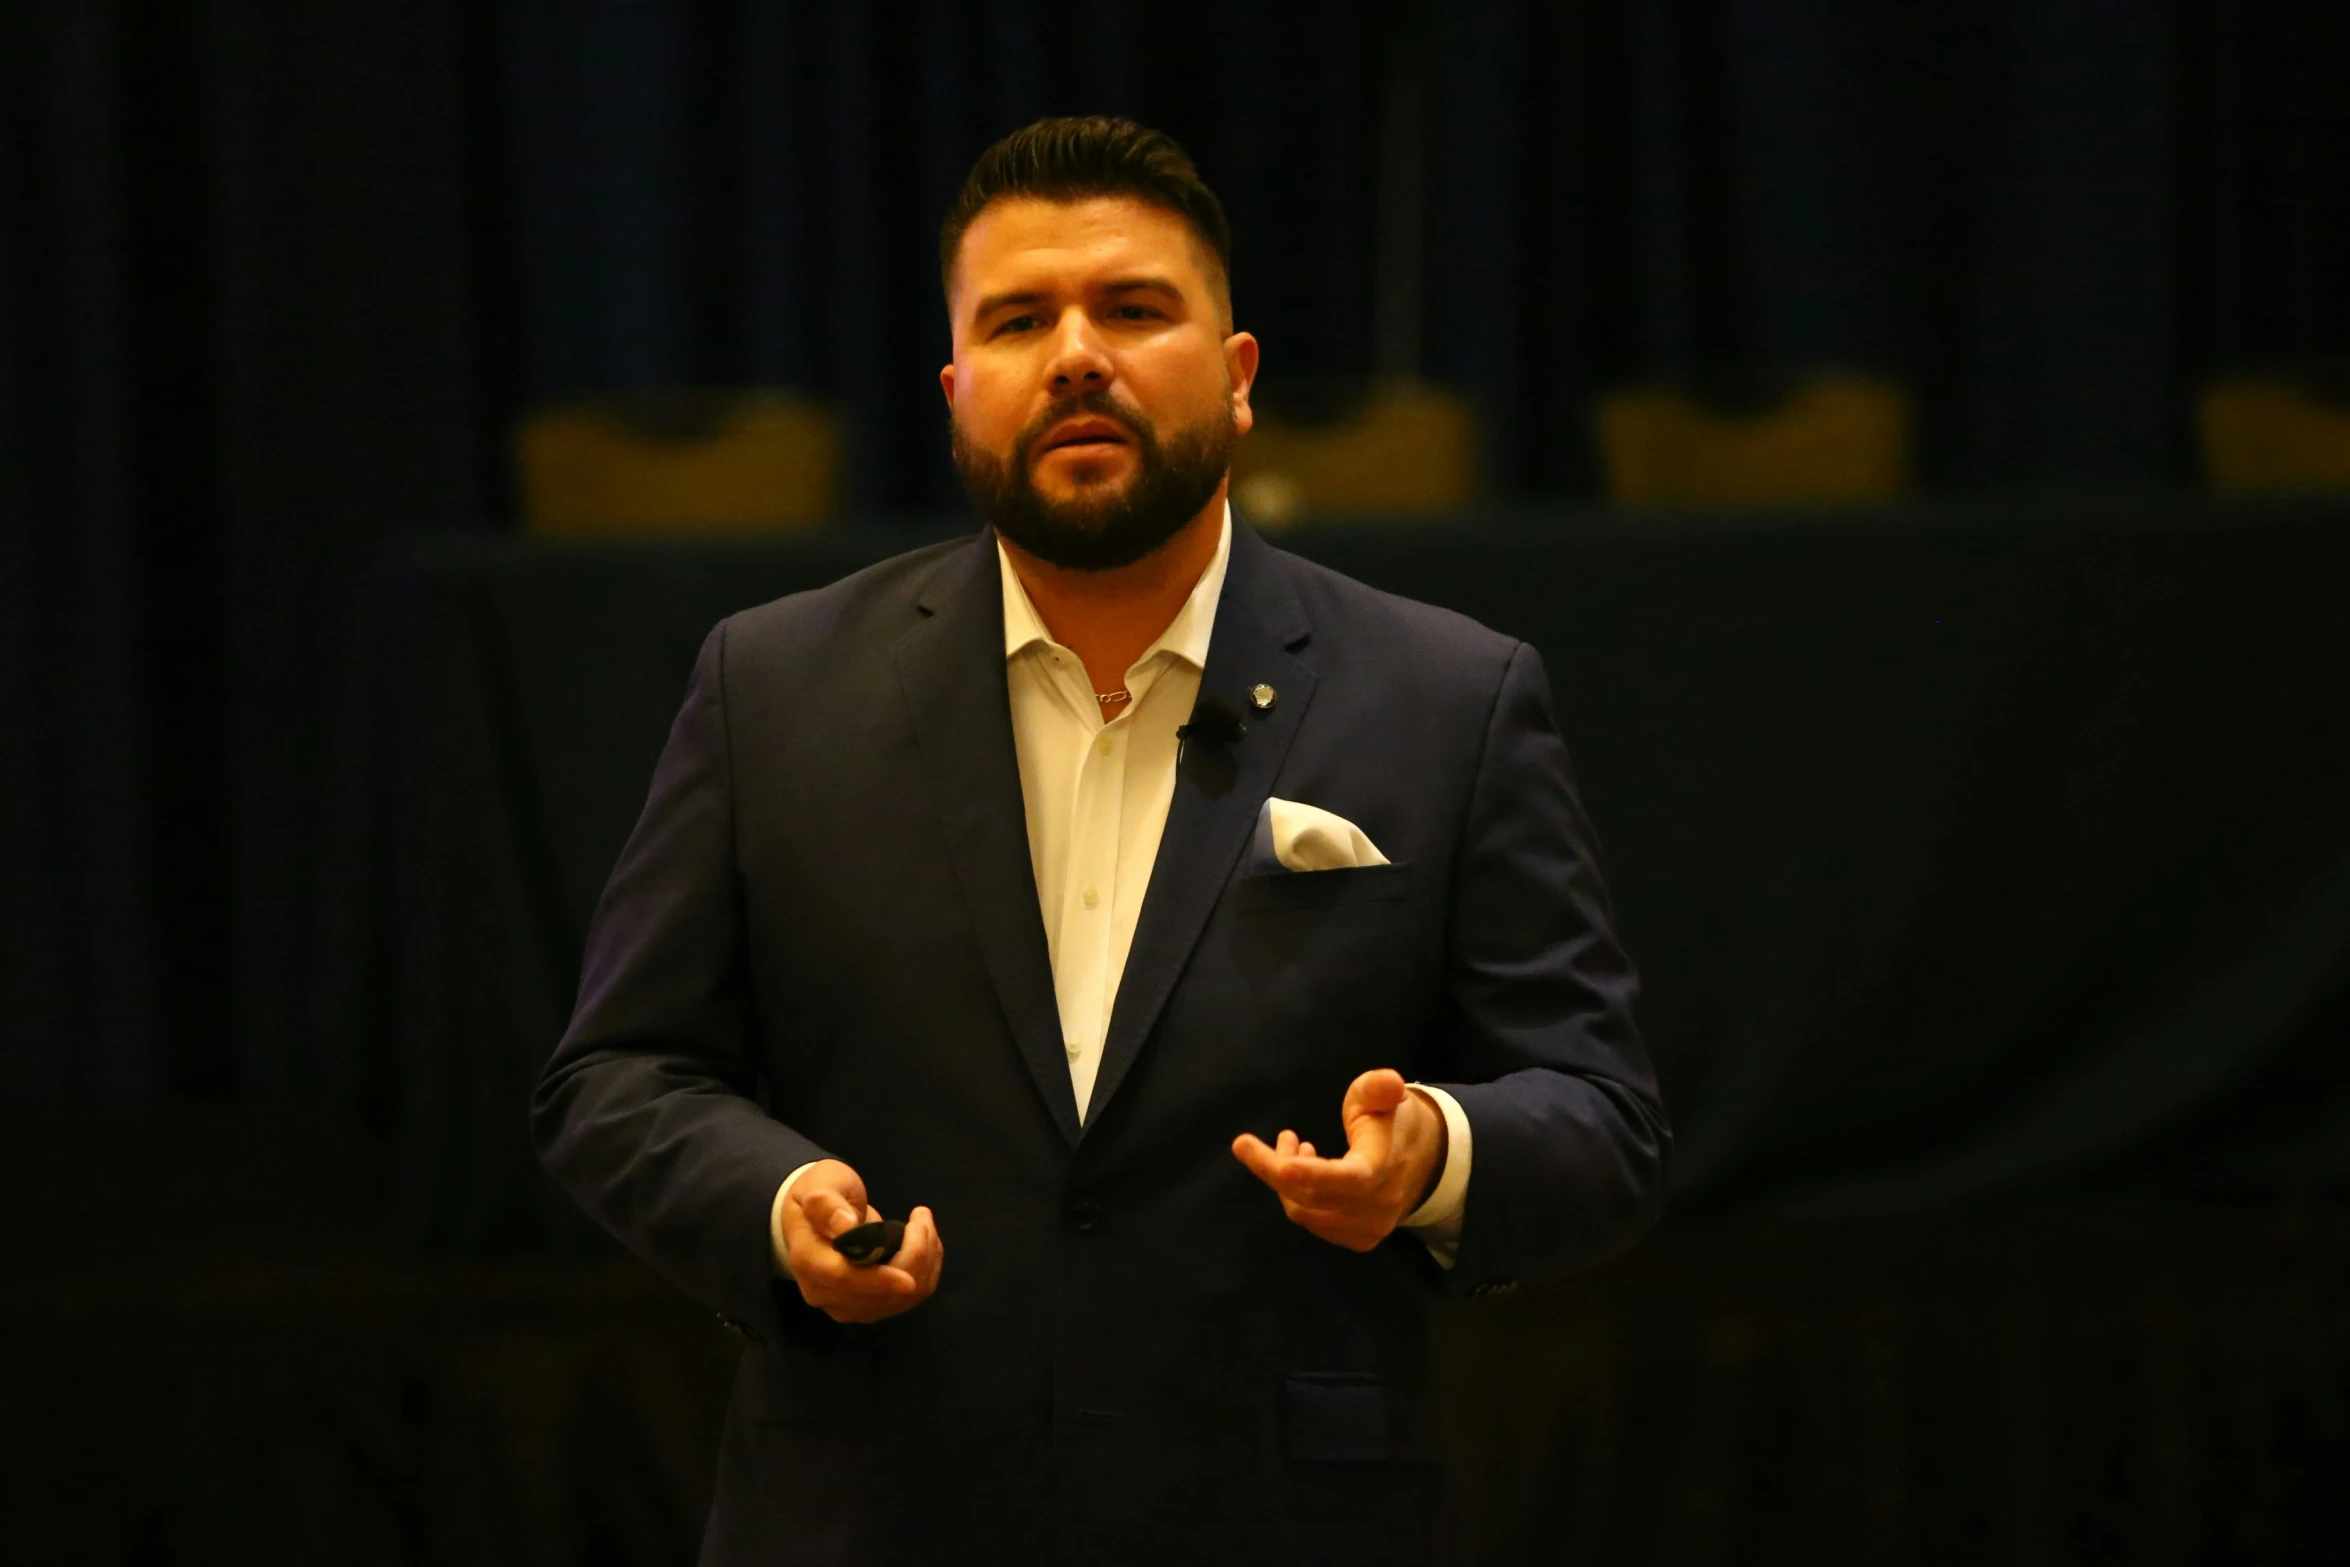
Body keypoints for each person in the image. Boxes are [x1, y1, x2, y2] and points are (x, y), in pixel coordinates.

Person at [532, 115, 1668, 1566]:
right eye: (1018, 320)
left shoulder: (1449, 696)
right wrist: (771, 1202)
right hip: (873, 1509)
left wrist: (1432, 1154)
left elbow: (1601, 1112)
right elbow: (613, 1074)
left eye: (1133, 308)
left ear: (1239, 379)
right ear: (956, 394)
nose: (1076, 353)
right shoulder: (773, 688)